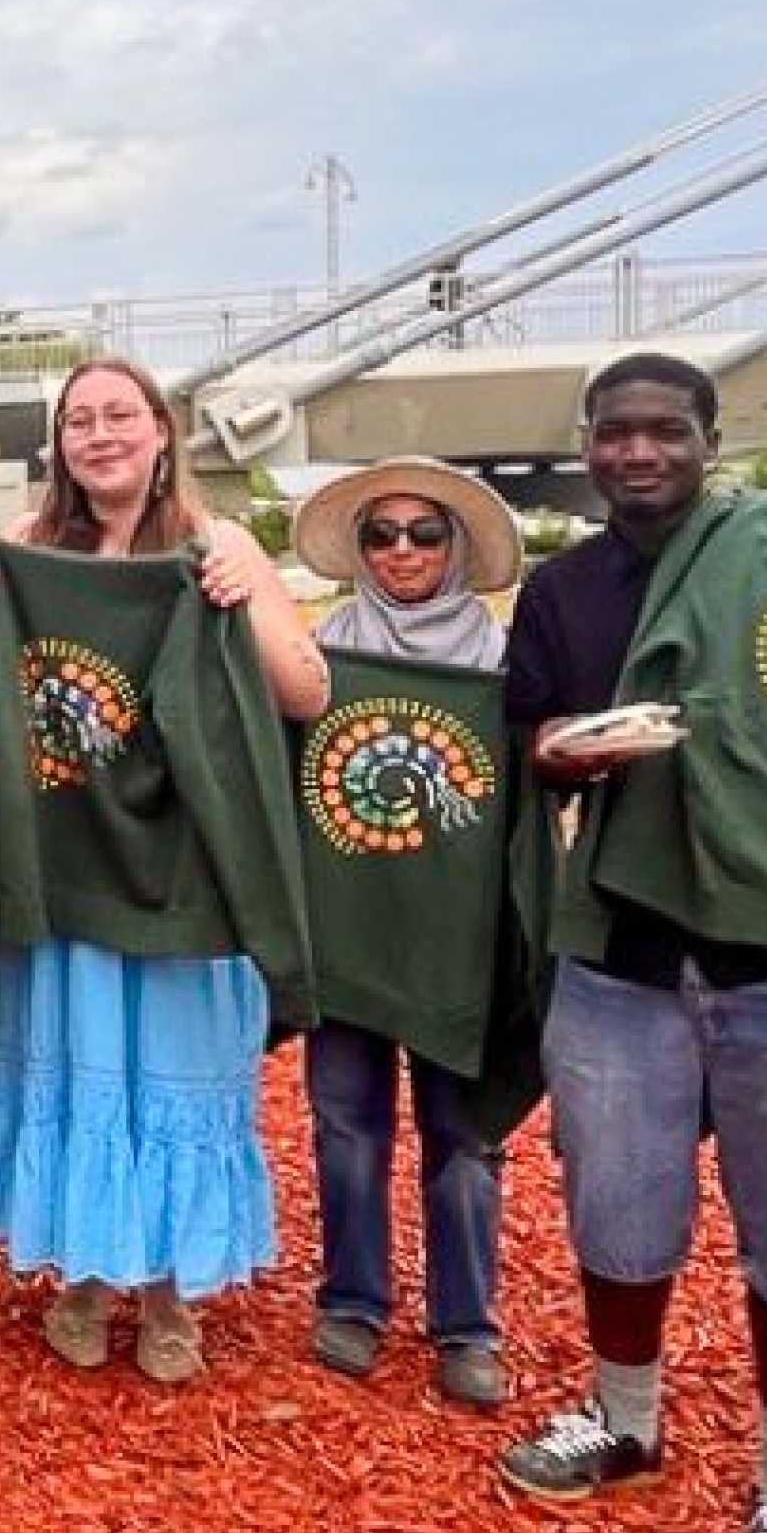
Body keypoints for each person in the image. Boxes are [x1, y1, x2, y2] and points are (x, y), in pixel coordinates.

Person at [496, 353, 767, 1533]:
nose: (637, 454)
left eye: (664, 432)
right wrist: (563, 751)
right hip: (623, 947)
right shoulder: (564, 589)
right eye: (615, 434)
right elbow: (527, 740)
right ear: (586, 446)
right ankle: (623, 1416)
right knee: (619, 1205)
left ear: (710, 439)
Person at [0, 356, 330, 1382]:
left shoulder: (217, 543)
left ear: (161, 431)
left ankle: (167, 1290)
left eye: (120, 414)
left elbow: (306, 692)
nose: (100, 433)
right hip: (64, 867)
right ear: (59, 445)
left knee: (169, 1071)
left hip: (182, 875)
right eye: (79, 420)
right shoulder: (29, 552)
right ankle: (83, 1269)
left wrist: (244, 597)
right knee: (77, 1073)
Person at [289, 457, 521, 1408]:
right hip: (347, 928)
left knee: (463, 1138)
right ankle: (352, 1296)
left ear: (456, 546)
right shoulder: (315, 659)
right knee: (346, 1126)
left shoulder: (505, 660)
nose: (402, 551)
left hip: (455, 936)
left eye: (425, 533)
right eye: (381, 534)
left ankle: (467, 1322)